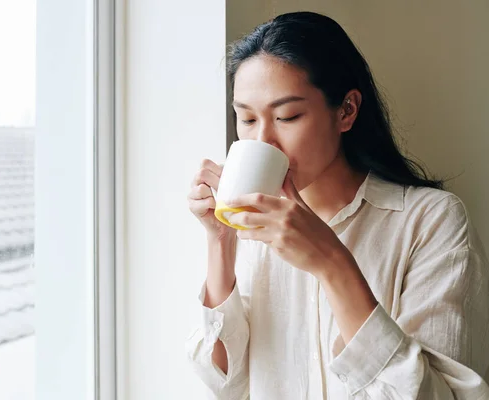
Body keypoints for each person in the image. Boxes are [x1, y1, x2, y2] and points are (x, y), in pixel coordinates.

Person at [186, 11, 489, 400]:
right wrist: (221, 242)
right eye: (246, 119)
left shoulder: (430, 222)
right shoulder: (254, 230)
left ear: (346, 110)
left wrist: (331, 261)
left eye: (286, 116)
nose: (263, 141)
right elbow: (226, 385)